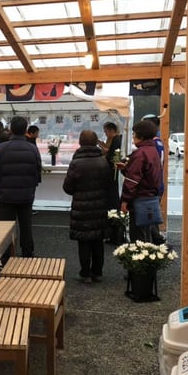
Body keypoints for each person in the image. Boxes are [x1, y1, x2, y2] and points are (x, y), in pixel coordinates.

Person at [0, 116, 42, 267]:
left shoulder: (2, 148)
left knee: (7, 228)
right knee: (26, 225)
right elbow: (37, 170)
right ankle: (27, 254)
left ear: (11, 129)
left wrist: (1, 182)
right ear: (25, 130)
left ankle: (6, 258)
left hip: (6, 194)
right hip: (26, 193)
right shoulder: (32, 148)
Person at [63, 130, 110, 284]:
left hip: (81, 208)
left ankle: (85, 273)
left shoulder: (76, 163)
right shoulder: (103, 161)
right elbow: (108, 184)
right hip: (100, 206)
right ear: (96, 142)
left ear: (80, 142)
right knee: (98, 240)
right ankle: (98, 272)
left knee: (84, 241)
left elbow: (67, 187)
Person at [118, 120, 162, 243]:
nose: (133, 137)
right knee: (147, 235)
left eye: (134, 134)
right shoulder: (152, 150)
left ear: (141, 136)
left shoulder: (140, 154)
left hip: (139, 200)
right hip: (150, 198)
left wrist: (125, 200)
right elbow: (144, 175)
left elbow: (132, 180)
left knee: (138, 238)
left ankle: (140, 255)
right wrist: (126, 169)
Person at [141, 113, 166, 245]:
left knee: (148, 217)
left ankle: (156, 241)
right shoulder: (158, 141)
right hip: (158, 183)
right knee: (152, 215)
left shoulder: (152, 144)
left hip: (152, 184)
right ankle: (156, 240)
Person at [99, 122, 123, 242]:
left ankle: (114, 234)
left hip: (111, 176)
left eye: (106, 131)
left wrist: (104, 152)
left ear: (111, 130)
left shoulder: (116, 140)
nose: (105, 134)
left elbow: (114, 158)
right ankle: (112, 233)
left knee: (112, 204)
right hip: (111, 175)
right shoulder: (113, 140)